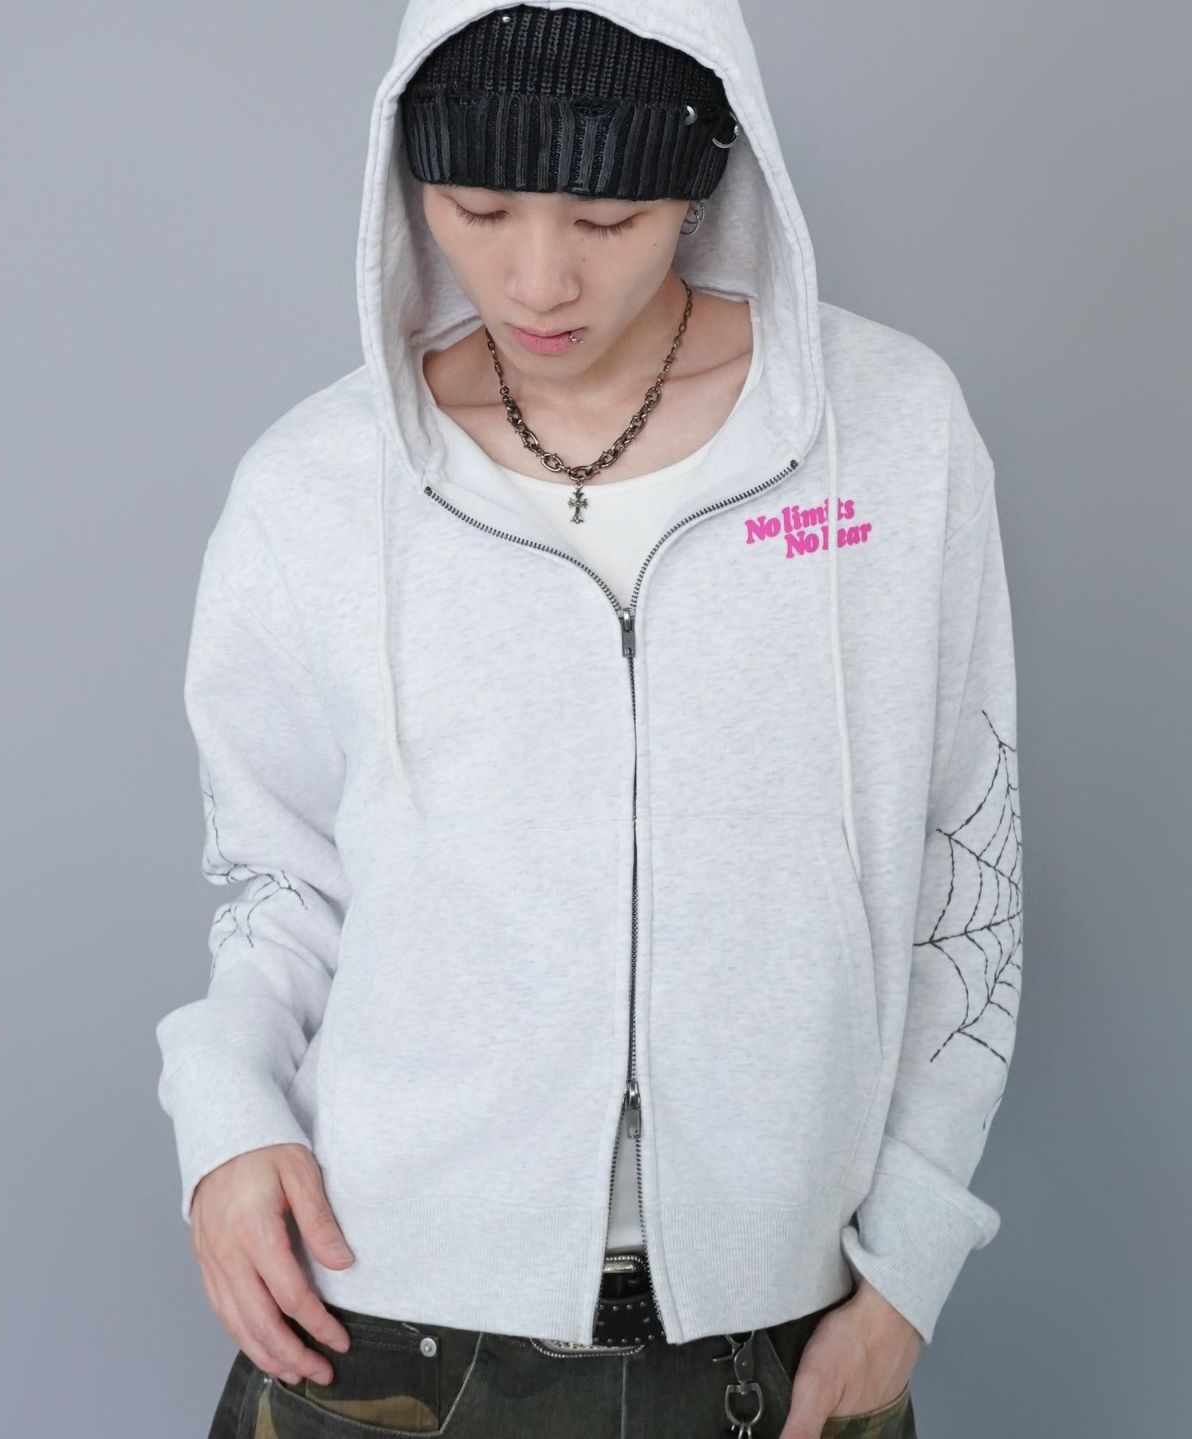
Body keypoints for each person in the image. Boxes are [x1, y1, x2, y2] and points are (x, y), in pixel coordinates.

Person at [155, 3, 1022, 1437]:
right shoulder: (313, 489)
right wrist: (226, 1121)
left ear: (704, 183)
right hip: (386, 1329)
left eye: (607, 220)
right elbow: (276, 881)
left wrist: (909, 1271)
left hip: (774, 1348)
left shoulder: (892, 435)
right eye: (476, 210)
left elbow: (963, 873)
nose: (537, 279)